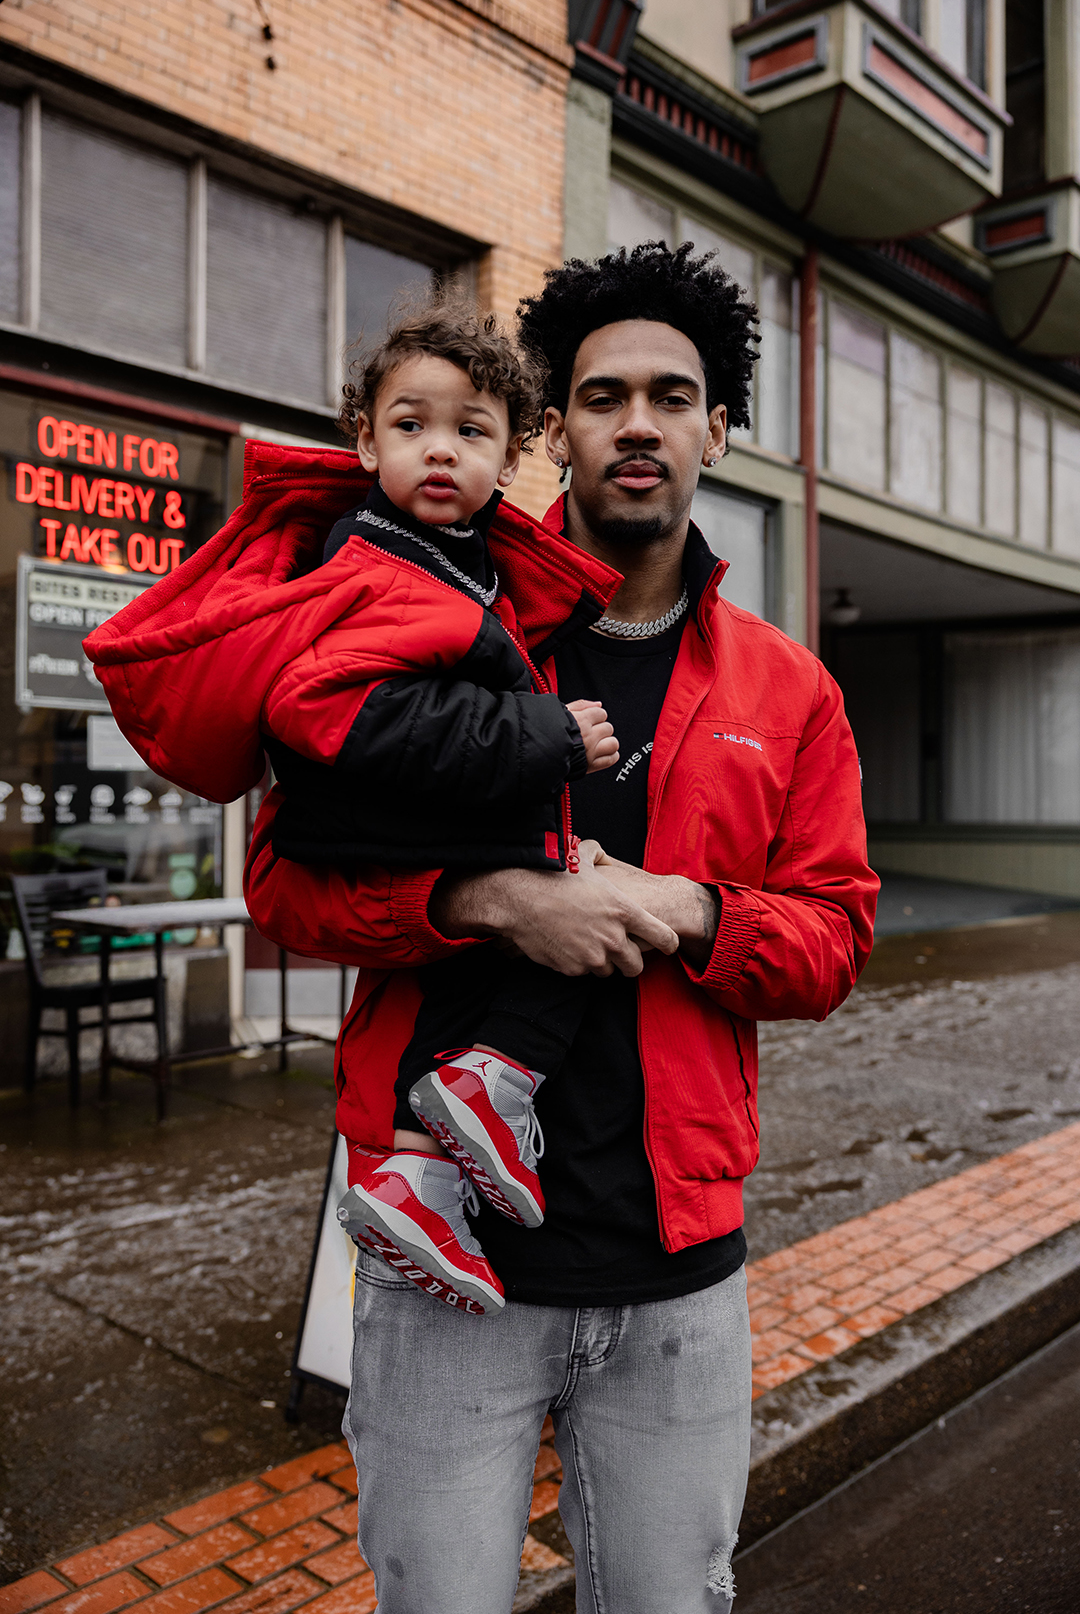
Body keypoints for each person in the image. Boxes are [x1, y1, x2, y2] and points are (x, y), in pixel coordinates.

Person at [86, 241, 878, 1614]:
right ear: (550, 432)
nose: (639, 422)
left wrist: (684, 909)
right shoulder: (433, 621)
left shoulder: (789, 688)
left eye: (672, 396)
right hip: (440, 1268)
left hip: (675, 1276)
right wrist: (494, 899)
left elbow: (832, 943)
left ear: (717, 428)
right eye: (603, 394)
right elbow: (281, 882)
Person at [268, 301, 669, 1314]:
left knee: (541, 911)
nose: (440, 451)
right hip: (386, 822)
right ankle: (495, 1078)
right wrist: (550, 739)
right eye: (412, 425)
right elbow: (350, 713)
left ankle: (423, 1172)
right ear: (363, 437)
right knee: (566, 889)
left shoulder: (461, 563)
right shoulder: (377, 555)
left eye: (470, 431)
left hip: (658, 1233)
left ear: (513, 452)